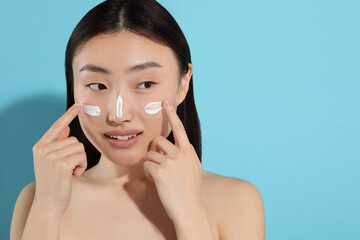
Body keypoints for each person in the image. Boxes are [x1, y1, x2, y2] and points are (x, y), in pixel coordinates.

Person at [10, 0, 265, 239]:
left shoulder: (236, 200)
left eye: (145, 83)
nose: (119, 115)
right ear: (73, 85)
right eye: (97, 85)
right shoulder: (36, 199)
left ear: (183, 84)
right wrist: (48, 209)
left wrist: (190, 213)